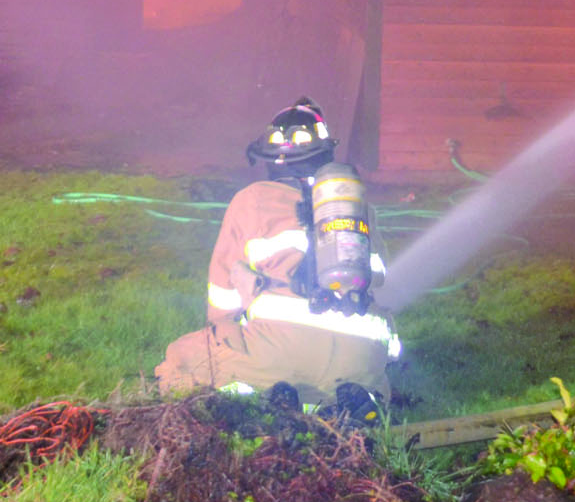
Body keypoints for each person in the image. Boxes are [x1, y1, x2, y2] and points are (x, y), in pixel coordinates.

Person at [153, 97, 397, 408]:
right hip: (362, 359)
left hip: (280, 352)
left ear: (270, 159)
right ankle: (343, 407)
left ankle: (263, 404)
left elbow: (223, 295)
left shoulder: (251, 199)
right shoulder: (359, 210)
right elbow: (380, 282)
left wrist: (225, 327)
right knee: (366, 382)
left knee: (179, 358)